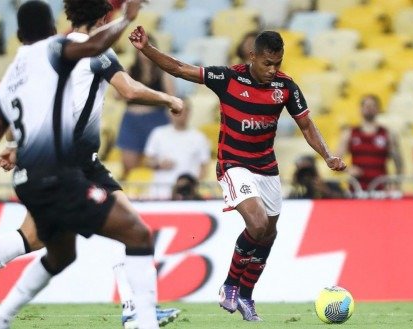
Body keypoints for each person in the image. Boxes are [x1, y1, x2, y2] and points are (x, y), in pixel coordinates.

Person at [0, 1, 184, 329]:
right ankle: (137, 313)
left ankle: (133, 306)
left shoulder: (28, 65)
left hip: (53, 162)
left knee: (70, 239)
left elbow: (4, 128)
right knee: (126, 232)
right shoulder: (84, 50)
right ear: (104, 17)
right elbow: (127, 89)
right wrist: (169, 98)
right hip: (68, 163)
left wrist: (17, 147)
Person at [129, 27, 346, 321]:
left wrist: (328, 155)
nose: (272, 70)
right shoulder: (228, 78)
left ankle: (245, 295)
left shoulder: (286, 88)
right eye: (267, 63)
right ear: (252, 56)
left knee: (268, 234)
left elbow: (306, 126)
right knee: (257, 225)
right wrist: (146, 49)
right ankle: (230, 285)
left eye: (277, 64)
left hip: (266, 167)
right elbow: (180, 69)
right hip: (234, 164)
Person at [116, 36, 176, 179]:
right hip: (132, 120)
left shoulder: (162, 73)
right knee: (129, 164)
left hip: (156, 119)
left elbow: (172, 99)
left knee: (158, 161)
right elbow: (117, 95)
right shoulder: (130, 70)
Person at [335, 94, 403, 192]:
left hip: (381, 189)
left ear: (378, 109)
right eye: (366, 106)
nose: (369, 109)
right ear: (360, 109)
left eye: (373, 106)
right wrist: (348, 169)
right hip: (357, 189)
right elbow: (336, 161)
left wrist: (396, 184)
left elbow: (398, 162)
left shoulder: (388, 134)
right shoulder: (349, 133)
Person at [143, 99, 210, 199]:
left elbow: (204, 168)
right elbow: (147, 161)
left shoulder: (199, 137)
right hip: (160, 194)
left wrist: (191, 185)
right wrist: (159, 164)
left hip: (187, 196)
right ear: (169, 113)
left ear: (189, 112)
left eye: (185, 110)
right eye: (177, 110)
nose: (181, 114)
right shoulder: (158, 133)